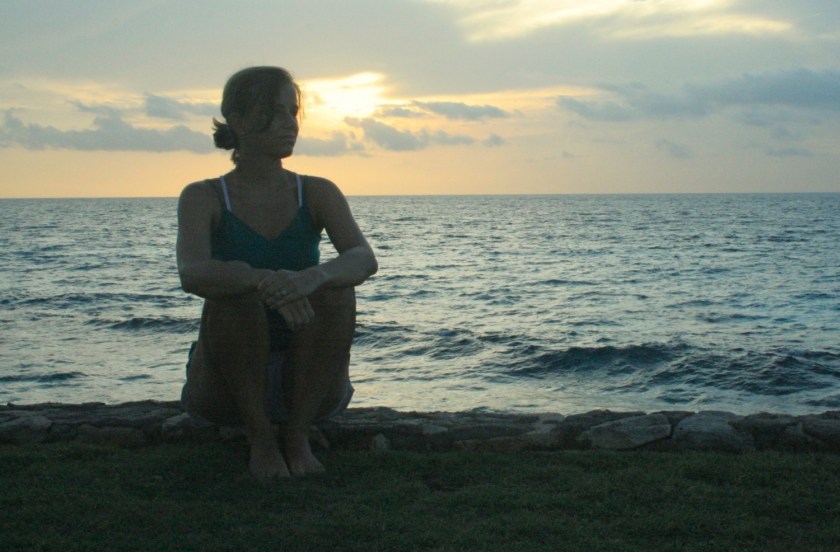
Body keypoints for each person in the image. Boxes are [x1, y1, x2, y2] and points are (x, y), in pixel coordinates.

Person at [176, 66, 378, 480]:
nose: (291, 123)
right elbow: (192, 272)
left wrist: (313, 278)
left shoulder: (317, 191)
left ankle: (297, 436)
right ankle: (261, 438)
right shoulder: (203, 196)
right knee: (232, 295)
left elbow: (362, 258)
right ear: (239, 121)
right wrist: (261, 280)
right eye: (276, 111)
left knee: (338, 290)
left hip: (311, 387)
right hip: (225, 390)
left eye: (293, 111)